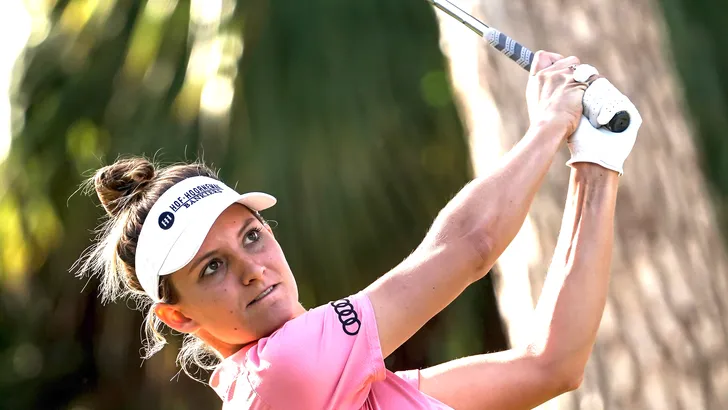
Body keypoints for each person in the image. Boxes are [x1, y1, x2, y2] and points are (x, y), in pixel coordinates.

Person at [74, 51, 642, 409]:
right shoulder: (285, 374)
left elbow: (550, 366)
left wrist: (597, 159)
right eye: (212, 268)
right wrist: (550, 124)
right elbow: (470, 245)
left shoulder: (345, 388)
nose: (252, 270)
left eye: (250, 236)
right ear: (178, 317)